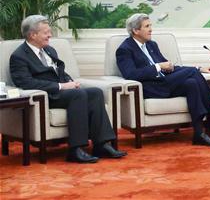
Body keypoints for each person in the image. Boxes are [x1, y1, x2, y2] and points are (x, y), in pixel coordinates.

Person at [9, 15, 126, 163]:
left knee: (95, 92)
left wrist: (70, 81)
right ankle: (75, 149)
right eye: (46, 33)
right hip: (46, 96)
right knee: (78, 95)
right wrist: (61, 86)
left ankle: (101, 144)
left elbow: (60, 72)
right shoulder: (19, 56)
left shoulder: (49, 50)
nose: (50, 35)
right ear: (33, 35)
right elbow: (26, 83)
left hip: (63, 92)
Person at [115, 14, 210, 147]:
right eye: (147, 26)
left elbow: (170, 67)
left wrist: (198, 68)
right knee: (192, 73)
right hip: (151, 88)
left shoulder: (151, 44)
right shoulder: (124, 49)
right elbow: (131, 74)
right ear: (135, 30)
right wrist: (158, 66)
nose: (151, 29)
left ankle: (199, 134)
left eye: (150, 25)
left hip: (165, 82)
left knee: (191, 83)